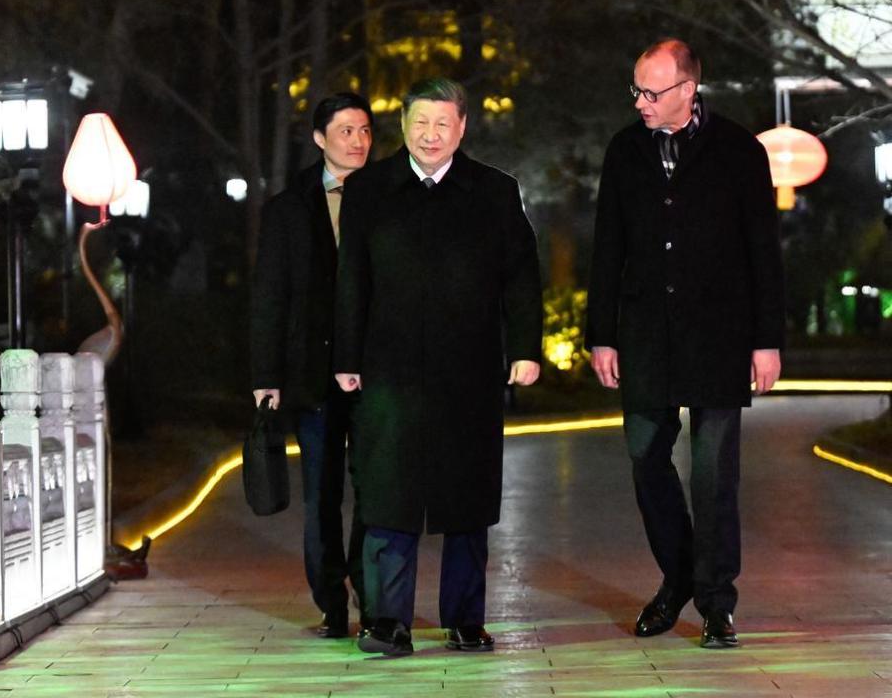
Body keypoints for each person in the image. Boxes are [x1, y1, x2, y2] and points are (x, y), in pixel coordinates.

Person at [333, 77, 542, 658]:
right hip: (388, 367)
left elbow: (521, 276)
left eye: (443, 123)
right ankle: (387, 620)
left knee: (467, 496)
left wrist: (526, 349)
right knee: (388, 492)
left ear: (462, 127)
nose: (431, 134)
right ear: (403, 124)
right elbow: (352, 278)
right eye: (420, 122)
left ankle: (465, 620)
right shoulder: (368, 189)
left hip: (468, 369)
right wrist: (346, 357)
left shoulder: (495, 191)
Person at [585, 39, 783, 649]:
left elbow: (763, 250)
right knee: (647, 459)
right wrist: (601, 335)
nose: (640, 102)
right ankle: (678, 578)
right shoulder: (625, 149)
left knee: (714, 476)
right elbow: (607, 246)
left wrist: (767, 340)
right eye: (636, 90)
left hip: (719, 334)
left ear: (688, 89)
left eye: (652, 92)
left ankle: (717, 602)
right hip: (646, 333)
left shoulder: (740, 150)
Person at [251, 93, 374, 639]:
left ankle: (372, 591)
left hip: (374, 371)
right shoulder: (288, 209)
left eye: (365, 130)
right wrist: (266, 376)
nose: (358, 141)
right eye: (345, 131)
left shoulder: (389, 197)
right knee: (321, 493)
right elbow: (269, 296)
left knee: (375, 490)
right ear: (321, 138)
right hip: (312, 372)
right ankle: (331, 602)